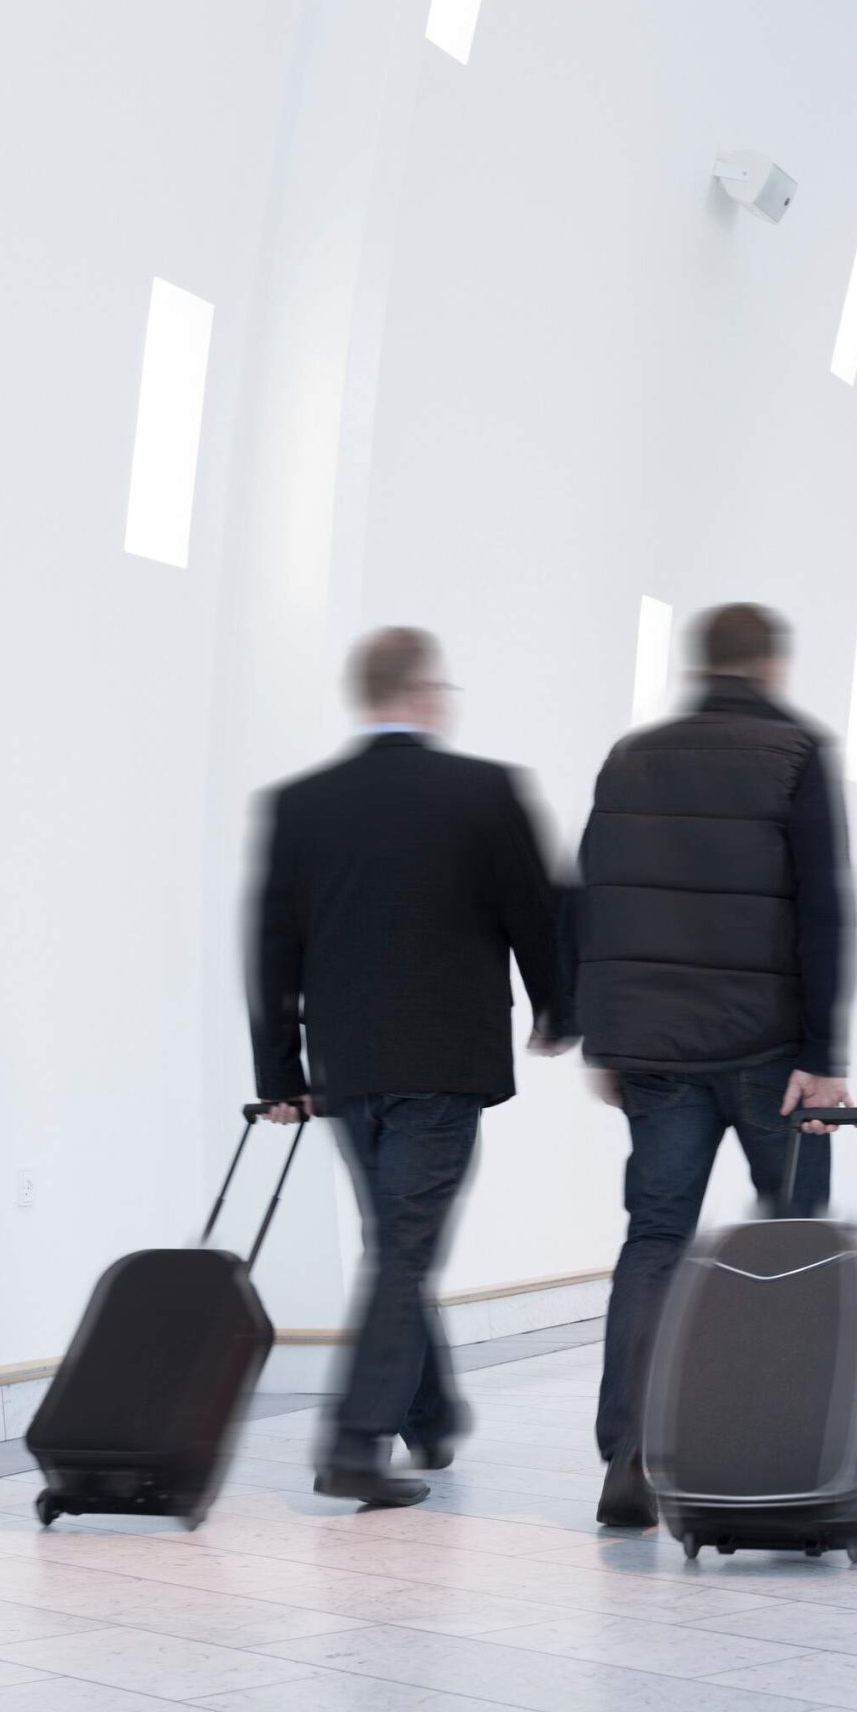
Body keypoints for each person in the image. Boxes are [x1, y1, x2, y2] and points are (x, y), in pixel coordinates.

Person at [248, 627, 570, 1508]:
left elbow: (271, 947)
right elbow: (533, 914)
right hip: (445, 1058)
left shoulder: (303, 803)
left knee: (396, 1239)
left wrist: (281, 1070)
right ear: (425, 693)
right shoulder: (483, 791)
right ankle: (355, 1444)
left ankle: (428, 1415)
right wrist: (558, 1008)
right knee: (403, 1245)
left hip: (347, 1066)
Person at [571, 601, 856, 1529]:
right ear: (771, 665)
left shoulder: (632, 756)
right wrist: (823, 1053)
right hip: (771, 1050)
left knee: (654, 1242)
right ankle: (780, 1444)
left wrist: (605, 1036)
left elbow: (597, 896)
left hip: (656, 1053)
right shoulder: (797, 752)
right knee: (796, 1242)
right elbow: (824, 906)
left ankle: (631, 1456)